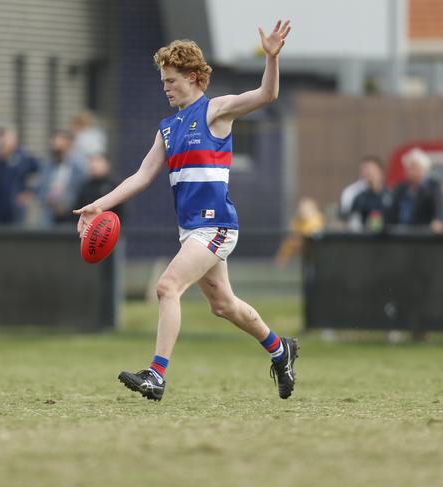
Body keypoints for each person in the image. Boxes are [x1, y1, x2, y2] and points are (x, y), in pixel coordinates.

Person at [74, 21, 298, 401]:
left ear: (194, 77)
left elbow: (267, 94)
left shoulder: (215, 110)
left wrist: (271, 58)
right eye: (163, 82)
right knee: (224, 306)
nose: (166, 88)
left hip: (216, 226)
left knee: (167, 287)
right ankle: (280, 350)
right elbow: (141, 177)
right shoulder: (167, 127)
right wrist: (98, 205)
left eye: (171, 81)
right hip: (190, 229)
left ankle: (156, 375)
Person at [0, 127, 40, 225]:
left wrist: (30, 192)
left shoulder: (23, 158)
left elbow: (43, 171)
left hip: (18, 210)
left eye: (10, 139)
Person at [385, 147, 443, 233]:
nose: (409, 171)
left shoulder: (433, 187)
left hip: (420, 236)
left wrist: (439, 221)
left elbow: (439, 209)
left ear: (424, 169)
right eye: (408, 168)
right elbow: (391, 212)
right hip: (399, 235)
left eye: (413, 168)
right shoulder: (401, 188)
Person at [37, 132, 86, 225]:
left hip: (71, 214)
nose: (58, 149)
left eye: (61, 146)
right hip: (49, 214)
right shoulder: (47, 166)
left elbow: (81, 191)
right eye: (55, 146)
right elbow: (40, 189)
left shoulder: (78, 167)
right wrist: (47, 198)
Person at [274, 197, 324, 268]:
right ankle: (280, 264)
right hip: (301, 244)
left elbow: (312, 233)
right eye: (302, 208)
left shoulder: (317, 219)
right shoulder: (297, 222)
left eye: (307, 209)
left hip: (315, 246)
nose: (303, 211)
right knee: (288, 243)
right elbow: (293, 235)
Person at [348, 157, 392, 231]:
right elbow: (354, 222)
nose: (368, 172)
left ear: (381, 172)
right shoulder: (359, 197)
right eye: (365, 170)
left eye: (371, 169)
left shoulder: (390, 195)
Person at [74, 154, 122, 220]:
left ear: (106, 164)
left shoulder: (115, 186)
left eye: (98, 161)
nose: (94, 165)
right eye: (91, 161)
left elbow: (121, 214)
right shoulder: (84, 186)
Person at [339, 157, 377, 221]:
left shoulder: (384, 192)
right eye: (366, 169)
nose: (369, 172)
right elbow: (346, 215)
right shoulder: (351, 192)